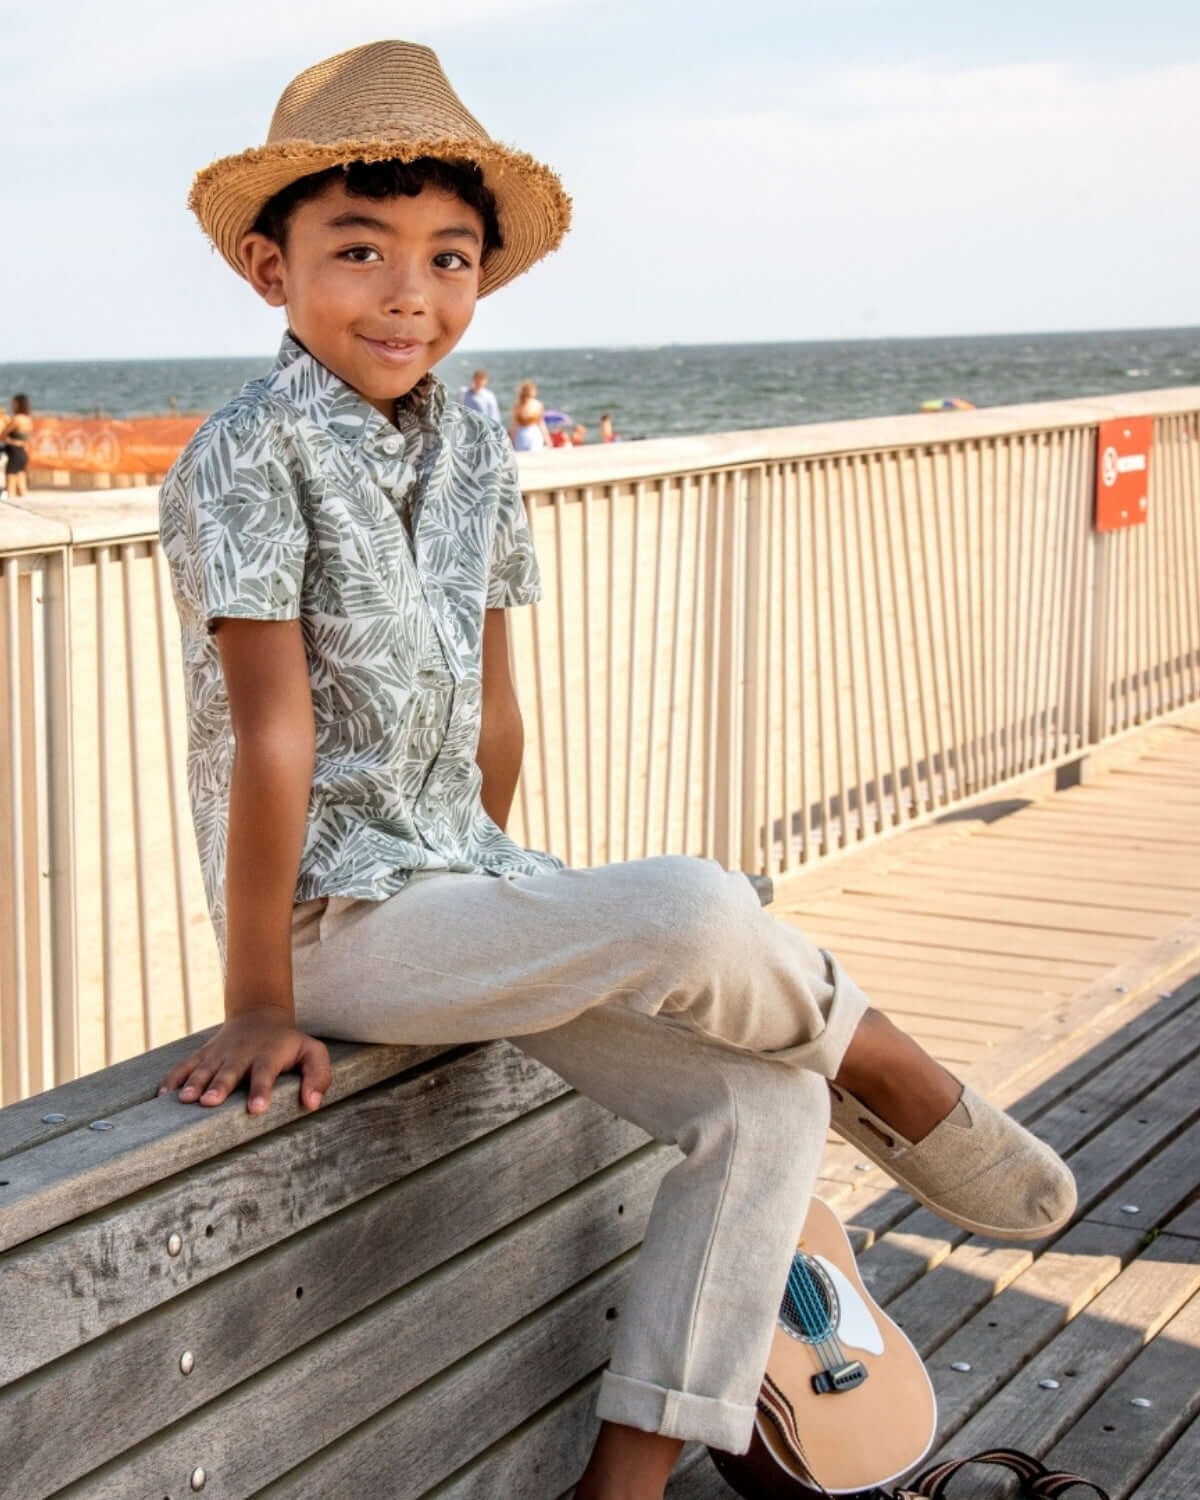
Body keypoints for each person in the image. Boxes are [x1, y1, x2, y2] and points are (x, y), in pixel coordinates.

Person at [156, 41, 1075, 1500]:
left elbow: (496, 711)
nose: (411, 293)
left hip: (464, 889)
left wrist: (508, 927)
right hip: (339, 933)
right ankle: (882, 1060)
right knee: (707, 905)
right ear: (271, 271)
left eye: (450, 259)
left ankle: (625, 1481)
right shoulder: (242, 455)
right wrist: (262, 995)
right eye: (360, 251)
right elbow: (272, 730)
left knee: (758, 1108)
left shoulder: (472, 443)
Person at [3, 394, 33, 499]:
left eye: (14, 403)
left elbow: (3, 435)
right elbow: (25, 438)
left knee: (10, 486)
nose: (12, 405)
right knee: (22, 488)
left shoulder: (16, 419)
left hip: (14, 453)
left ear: (18, 404)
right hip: (22, 453)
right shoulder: (28, 419)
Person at [510, 377, 550, 451]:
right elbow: (541, 424)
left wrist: (511, 441)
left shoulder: (517, 406)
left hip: (521, 434)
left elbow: (513, 426)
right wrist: (548, 440)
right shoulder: (537, 404)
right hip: (534, 433)